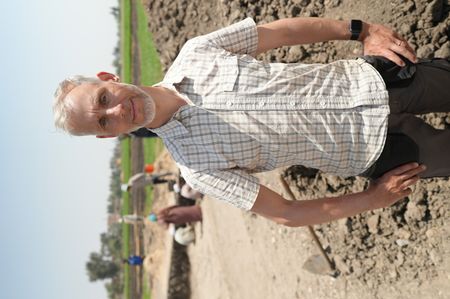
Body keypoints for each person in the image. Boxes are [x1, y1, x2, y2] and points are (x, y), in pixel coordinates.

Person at [53, 17, 449, 227]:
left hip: (377, 80)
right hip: (380, 152)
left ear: (109, 79)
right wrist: (373, 199)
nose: (117, 111)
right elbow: (286, 214)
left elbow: (278, 33)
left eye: (104, 100)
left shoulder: (196, 53)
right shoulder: (198, 169)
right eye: (104, 123)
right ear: (110, 137)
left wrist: (362, 30)